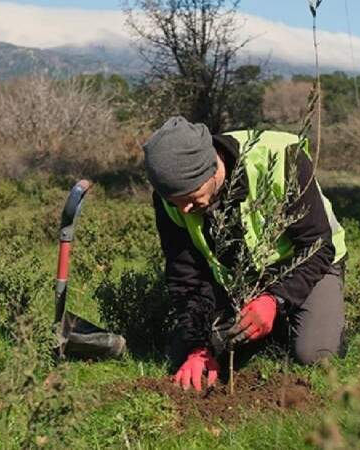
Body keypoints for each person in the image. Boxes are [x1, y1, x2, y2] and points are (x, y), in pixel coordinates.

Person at [142, 116, 347, 392]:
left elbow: (317, 245)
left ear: (211, 169)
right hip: (240, 278)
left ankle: (298, 319)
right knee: (184, 352)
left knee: (314, 354)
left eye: (190, 197)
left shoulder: (283, 159)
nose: (184, 210)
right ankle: (269, 328)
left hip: (309, 264)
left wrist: (274, 300)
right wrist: (198, 348)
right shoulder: (170, 200)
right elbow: (186, 276)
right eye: (174, 202)